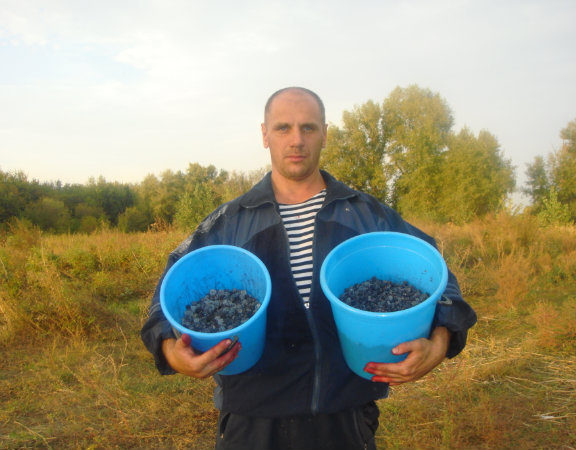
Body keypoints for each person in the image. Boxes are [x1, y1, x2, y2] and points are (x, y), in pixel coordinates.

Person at [141, 87, 477, 450]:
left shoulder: (366, 215)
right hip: (251, 423)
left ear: (325, 134)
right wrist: (170, 349)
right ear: (265, 135)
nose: (297, 140)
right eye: (283, 128)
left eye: (309, 128)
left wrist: (440, 342)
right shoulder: (230, 221)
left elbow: (438, 275)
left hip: (345, 419)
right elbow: (169, 288)